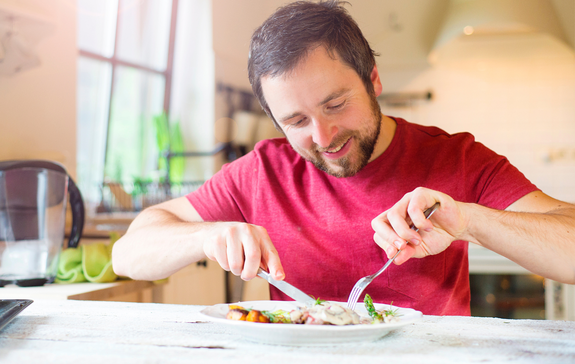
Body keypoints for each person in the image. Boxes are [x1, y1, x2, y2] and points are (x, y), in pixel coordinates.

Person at [112, 0, 575, 315]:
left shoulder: (454, 157)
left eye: (336, 105)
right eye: (296, 121)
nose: (324, 136)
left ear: (373, 79)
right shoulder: (262, 172)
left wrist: (470, 221)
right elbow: (129, 253)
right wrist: (207, 236)